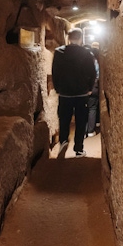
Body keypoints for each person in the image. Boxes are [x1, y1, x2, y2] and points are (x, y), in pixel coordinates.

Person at [52, 28, 96, 157]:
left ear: (69, 38)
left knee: (64, 119)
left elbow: (55, 72)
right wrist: (89, 88)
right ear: (80, 38)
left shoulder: (59, 52)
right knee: (81, 122)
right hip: (81, 93)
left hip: (65, 93)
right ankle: (78, 149)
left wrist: (58, 88)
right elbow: (92, 72)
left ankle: (64, 141)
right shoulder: (86, 53)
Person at [85, 42, 100, 137]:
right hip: (93, 86)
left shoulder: (78, 60)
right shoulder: (94, 60)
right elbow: (97, 74)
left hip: (80, 88)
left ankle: (82, 132)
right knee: (92, 108)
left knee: (81, 109)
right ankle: (90, 131)